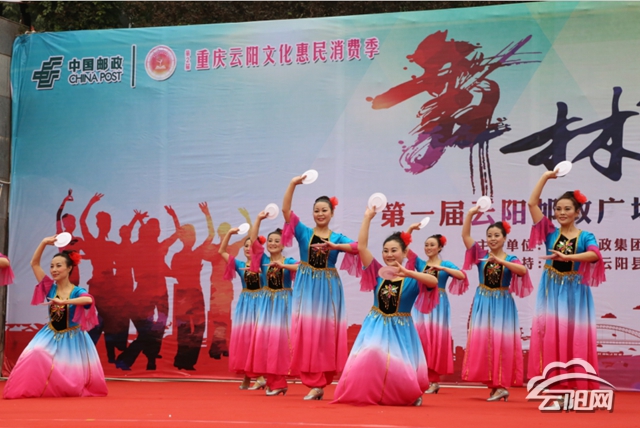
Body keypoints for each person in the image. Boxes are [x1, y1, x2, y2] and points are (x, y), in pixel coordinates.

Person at [332, 207, 437, 406]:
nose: (389, 254)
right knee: (371, 353)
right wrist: (367, 218)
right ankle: (372, 392)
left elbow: (433, 281)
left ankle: (407, 394)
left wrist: (410, 273)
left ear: (405, 253)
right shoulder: (377, 272)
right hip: (376, 324)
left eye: (394, 250)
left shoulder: (413, 279)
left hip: (401, 328)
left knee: (399, 365)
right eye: (385, 251)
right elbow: (362, 247)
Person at [527, 172, 604, 393]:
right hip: (552, 291)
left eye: (567, 209)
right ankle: (556, 383)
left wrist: (568, 257)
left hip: (575, 293)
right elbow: (532, 203)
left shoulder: (586, 236)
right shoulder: (550, 232)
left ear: (577, 212)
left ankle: (575, 383)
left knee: (575, 336)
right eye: (558, 209)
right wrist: (545, 177)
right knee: (551, 334)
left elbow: (594, 255)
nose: (562, 213)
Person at [282, 176, 358, 400]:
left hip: (328, 287)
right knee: (307, 330)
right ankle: (313, 382)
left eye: (324, 210)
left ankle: (321, 380)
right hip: (307, 285)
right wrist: (293, 184)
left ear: (332, 213)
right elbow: (286, 211)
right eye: (316, 210)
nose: (320, 214)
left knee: (325, 331)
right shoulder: (304, 232)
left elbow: (357, 247)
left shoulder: (337, 237)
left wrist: (336, 246)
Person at [3, 236, 107, 399]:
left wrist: (65, 301)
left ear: (69, 268)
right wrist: (44, 242)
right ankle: (34, 388)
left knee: (70, 374)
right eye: (52, 266)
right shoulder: (49, 287)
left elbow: (88, 300)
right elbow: (34, 264)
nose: (54, 269)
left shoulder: (77, 291)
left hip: (73, 337)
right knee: (35, 352)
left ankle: (62, 389)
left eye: (59, 266)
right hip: (50, 333)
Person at [461, 205, 532, 402]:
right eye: (489, 235)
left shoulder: (511, 258)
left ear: (504, 238)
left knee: (501, 341)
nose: (492, 239)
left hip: (502, 303)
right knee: (485, 341)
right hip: (483, 301)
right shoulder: (481, 255)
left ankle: (501, 385)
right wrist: (470, 214)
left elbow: (522, 271)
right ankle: (494, 385)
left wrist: (502, 263)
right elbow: (465, 236)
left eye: (496, 235)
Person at [405, 223, 468, 394]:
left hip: (438, 305)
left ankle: (433, 380)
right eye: (426, 245)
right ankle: (421, 377)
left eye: (432, 245)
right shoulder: (420, 264)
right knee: (420, 338)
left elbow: (462, 275)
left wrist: (443, 268)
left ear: (440, 247)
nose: (428, 248)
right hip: (421, 303)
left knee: (435, 339)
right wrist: (410, 230)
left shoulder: (445, 264)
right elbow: (405, 249)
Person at [247, 211, 298, 396]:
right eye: (270, 241)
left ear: (283, 244)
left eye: (277, 241)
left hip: (284, 305)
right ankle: (272, 381)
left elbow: (301, 267)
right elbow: (253, 242)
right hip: (267, 303)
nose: (273, 243)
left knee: (280, 342)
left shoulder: (288, 261)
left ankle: (279, 381)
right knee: (266, 341)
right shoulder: (263, 260)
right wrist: (258, 219)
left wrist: (283, 266)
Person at [166, 202, 214, 371]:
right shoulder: (179, 256)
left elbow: (211, 235)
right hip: (185, 295)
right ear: (183, 237)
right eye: (188, 235)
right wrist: (175, 218)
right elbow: (209, 235)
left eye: (193, 234)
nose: (192, 237)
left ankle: (187, 361)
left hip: (195, 293)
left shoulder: (196, 253)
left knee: (198, 328)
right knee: (185, 329)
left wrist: (207, 214)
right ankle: (182, 361)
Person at [219, 226, 264, 390]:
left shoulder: (264, 265)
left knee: (257, 340)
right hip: (245, 305)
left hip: (261, 303)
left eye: (251, 246)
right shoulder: (239, 265)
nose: (247, 248)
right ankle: (248, 377)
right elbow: (221, 251)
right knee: (246, 340)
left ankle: (260, 376)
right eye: (245, 246)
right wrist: (229, 233)